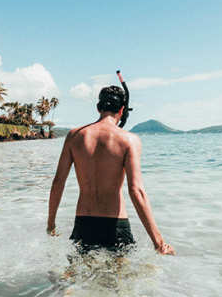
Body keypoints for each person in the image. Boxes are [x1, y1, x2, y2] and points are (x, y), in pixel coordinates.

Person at [47, 86, 176, 256]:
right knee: (120, 280)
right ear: (122, 110)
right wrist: (159, 242)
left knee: (78, 279)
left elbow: (58, 182)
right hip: (116, 225)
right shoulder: (129, 139)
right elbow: (136, 191)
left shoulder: (74, 136)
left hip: (84, 223)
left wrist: (51, 224)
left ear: (98, 108)